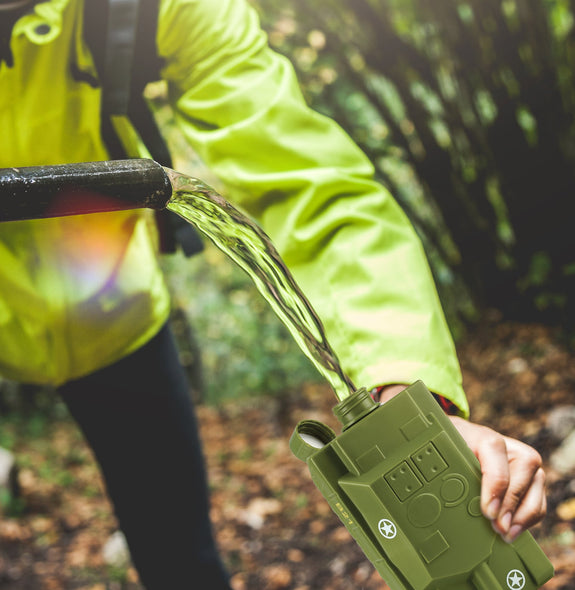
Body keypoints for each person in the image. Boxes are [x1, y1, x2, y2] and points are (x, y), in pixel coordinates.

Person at [0, 0, 546, 587]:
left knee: (182, 563)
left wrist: (407, 405)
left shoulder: (158, 9)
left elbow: (313, 190)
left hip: (116, 318)